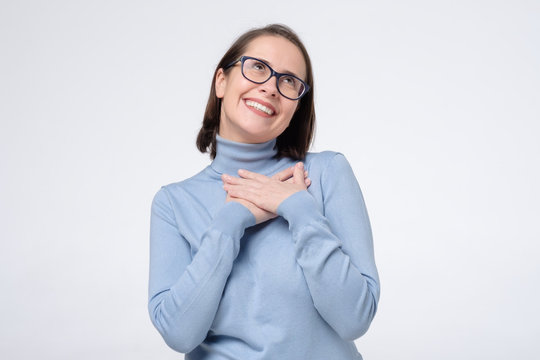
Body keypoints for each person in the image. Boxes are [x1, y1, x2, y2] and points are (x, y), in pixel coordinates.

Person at [148, 24, 380, 359]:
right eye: (258, 67)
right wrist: (229, 222)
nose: (271, 87)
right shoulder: (173, 202)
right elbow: (180, 335)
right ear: (221, 82)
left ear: (296, 106)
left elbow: (354, 319)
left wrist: (300, 209)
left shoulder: (326, 173)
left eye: (288, 81)